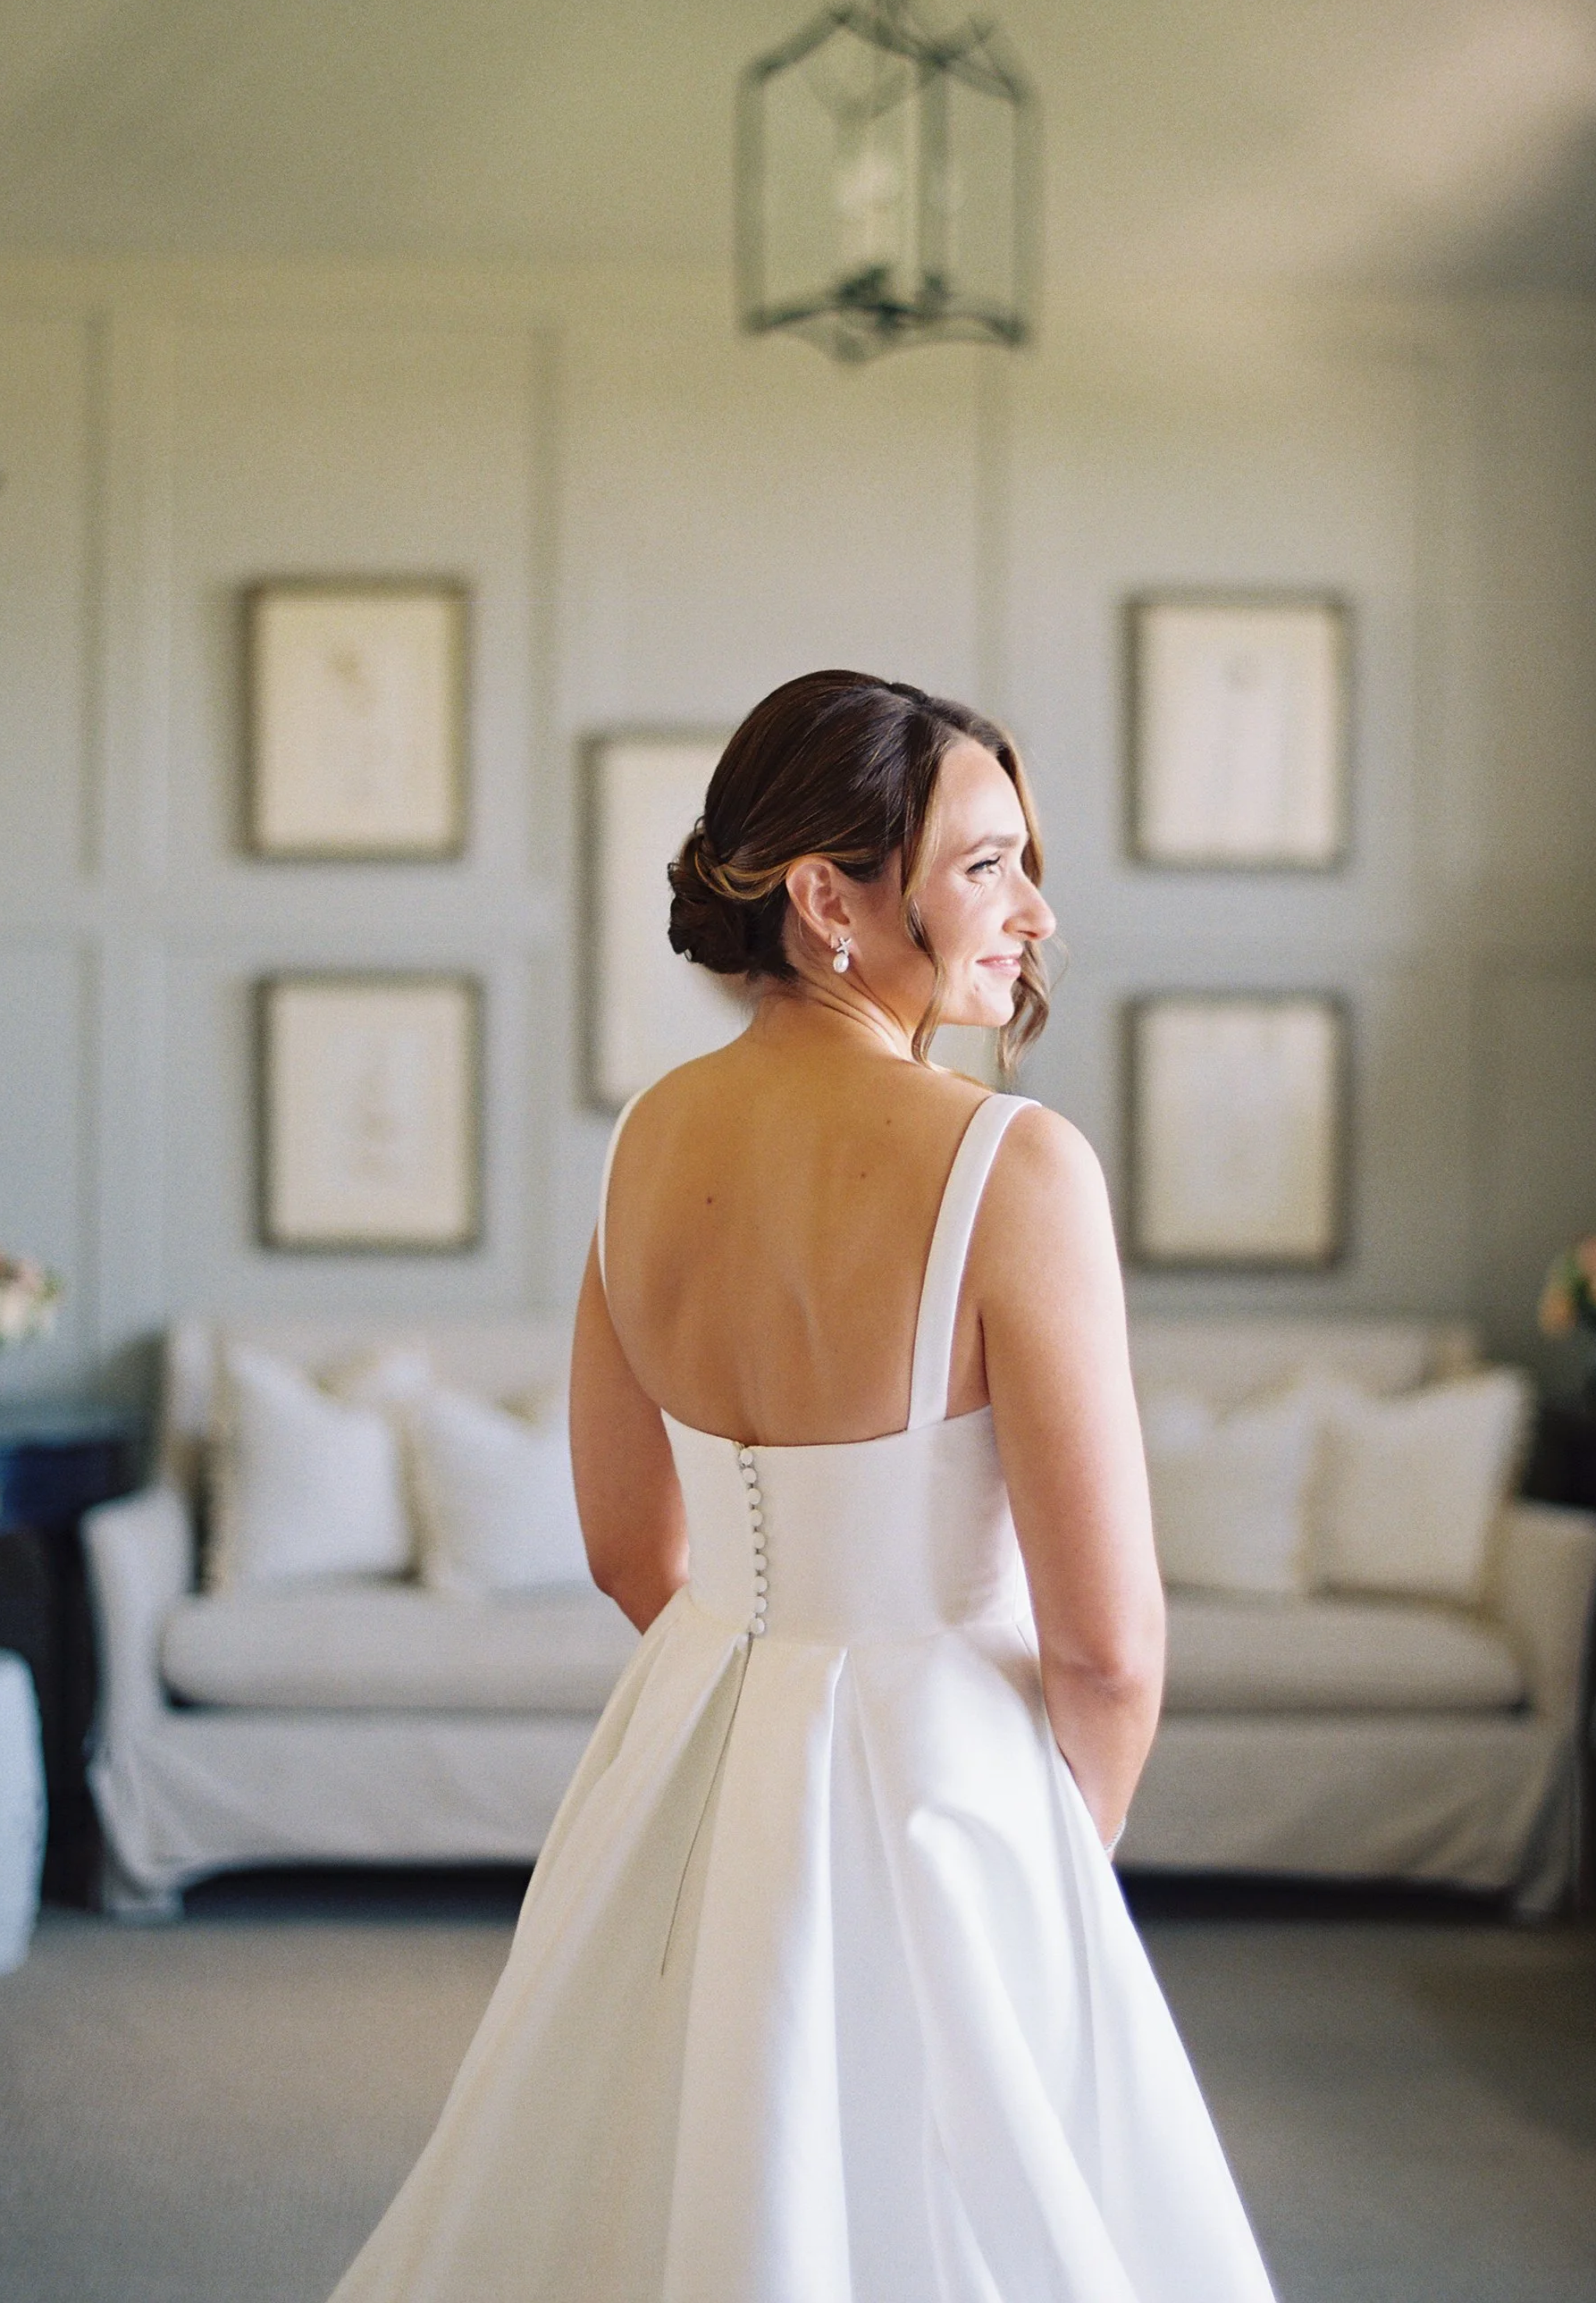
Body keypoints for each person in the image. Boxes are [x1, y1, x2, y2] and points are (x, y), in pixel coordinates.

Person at [328, 670, 1276, 2303]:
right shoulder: (1015, 1166)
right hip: (952, 1789)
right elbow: (1109, 1647)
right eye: (987, 865)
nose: (1036, 910)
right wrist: (1049, 1867)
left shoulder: (645, 1141)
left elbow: (632, 1546)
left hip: (688, 1757)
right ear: (829, 899)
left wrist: (760, 1690)